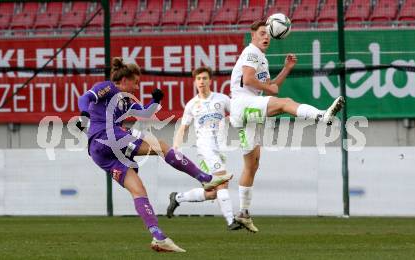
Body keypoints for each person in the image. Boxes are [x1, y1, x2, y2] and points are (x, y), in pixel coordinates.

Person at [76, 58, 232, 252]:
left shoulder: (126, 101)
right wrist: (83, 115)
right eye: (135, 82)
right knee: (163, 147)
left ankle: (158, 236)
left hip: (99, 152)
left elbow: (145, 113)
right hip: (106, 135)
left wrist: (156, 100)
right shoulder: (108, 87)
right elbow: (85, 98)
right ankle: (205, 178)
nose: (136, 87)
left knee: (139, 191)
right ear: (125, 79)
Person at [229, 21, 344, 232]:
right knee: (285, 102)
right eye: (262, 33)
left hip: (245, 112)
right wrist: (269, 87)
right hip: (243, 105)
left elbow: (271, 88)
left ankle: (243, 214)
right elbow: (248, 79)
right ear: (252, 35)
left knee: (252, 165)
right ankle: (321, 115)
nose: (266, 37)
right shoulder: (251, 52)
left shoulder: (259, 58)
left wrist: (286, 69)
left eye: (268, 35)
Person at [166, 67, 242, 230]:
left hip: (220, 149)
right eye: (198, 78)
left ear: (210, 80)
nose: (201, 81)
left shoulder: (222, 99)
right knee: (222, 181)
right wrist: (176, 147)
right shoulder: (192, 104)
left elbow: (237, 115)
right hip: (205, 150)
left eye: (204, 78)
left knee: (213, 193)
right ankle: (231, 221)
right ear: (195, 82)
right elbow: (183, 128)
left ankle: (178, 198)